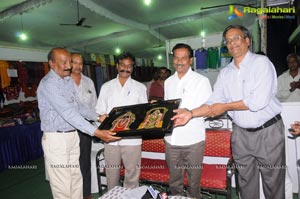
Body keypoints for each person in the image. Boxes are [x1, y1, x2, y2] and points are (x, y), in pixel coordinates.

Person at [172, 25, 286, 199]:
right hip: (240, 134)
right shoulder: (225, 73)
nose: (232, 43)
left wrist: (225, 107)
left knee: (273, 183)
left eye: (237, 38)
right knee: (245, 183)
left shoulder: (261, 63)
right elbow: (212, 103)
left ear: (247, 41)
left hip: (268, 132)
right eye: (228, 41)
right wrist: (190, 113)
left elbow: (257, 101)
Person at [37, 47, 120, 199]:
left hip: (73, 136)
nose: (69, 65)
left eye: (69, 61)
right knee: (63, 183)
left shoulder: (67, 80)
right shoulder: (48, 84)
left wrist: (98, 117)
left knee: (76, 179)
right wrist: (96, 132)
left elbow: (79, 106)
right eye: (64, 62)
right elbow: (68, 112)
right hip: (57, 139)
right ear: (52, 63)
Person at [164, 43, 212, 198]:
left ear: (190, 60)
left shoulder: (202, 81)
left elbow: (208, 109)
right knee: (174, 181)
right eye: (176, 57)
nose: (179, 61)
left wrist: (189, 113)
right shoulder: (168, 82)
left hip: (193, 141)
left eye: (184, 58)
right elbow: (167, 109)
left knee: (193, 183)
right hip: (171, 140)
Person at [95, 52, 148, 190]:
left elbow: (144, 113)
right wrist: (102, 117)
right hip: (110, 137)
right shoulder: (106, 87)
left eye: (129, 65)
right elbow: (99, 110)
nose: (126, 68)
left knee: (132, 173)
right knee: (112, 173)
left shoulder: (140, 87)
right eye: (123, 65)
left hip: (132, 138)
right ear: (117, 66)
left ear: (133, 68)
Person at [71, 53, 97, 199]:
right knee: (71, 164)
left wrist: (97, 125)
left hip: (86, 128)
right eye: (74, 63)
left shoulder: (88, 82)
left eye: (80, 63)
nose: (78, 66)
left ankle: (86, 194)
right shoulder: (64, 82)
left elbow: (94, 104)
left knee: (85, 162)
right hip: (69, 128)